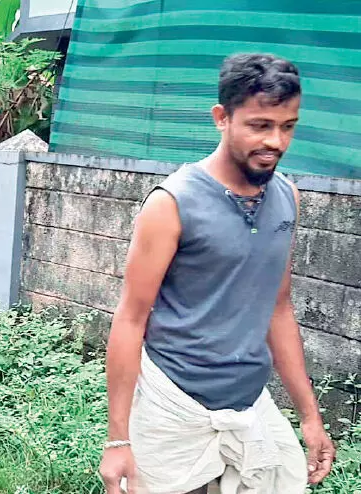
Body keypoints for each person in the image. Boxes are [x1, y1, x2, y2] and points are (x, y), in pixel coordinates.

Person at [99, 53, 335, 494]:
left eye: (288, 126)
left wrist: (309, 415)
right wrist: (118, 439)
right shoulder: (172, 204)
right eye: (261, 125)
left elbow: (278, 308)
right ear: (221, 118)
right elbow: (131, 319)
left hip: (249, 404)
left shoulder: (287, 198)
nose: (276, 142)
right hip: (175, 406)